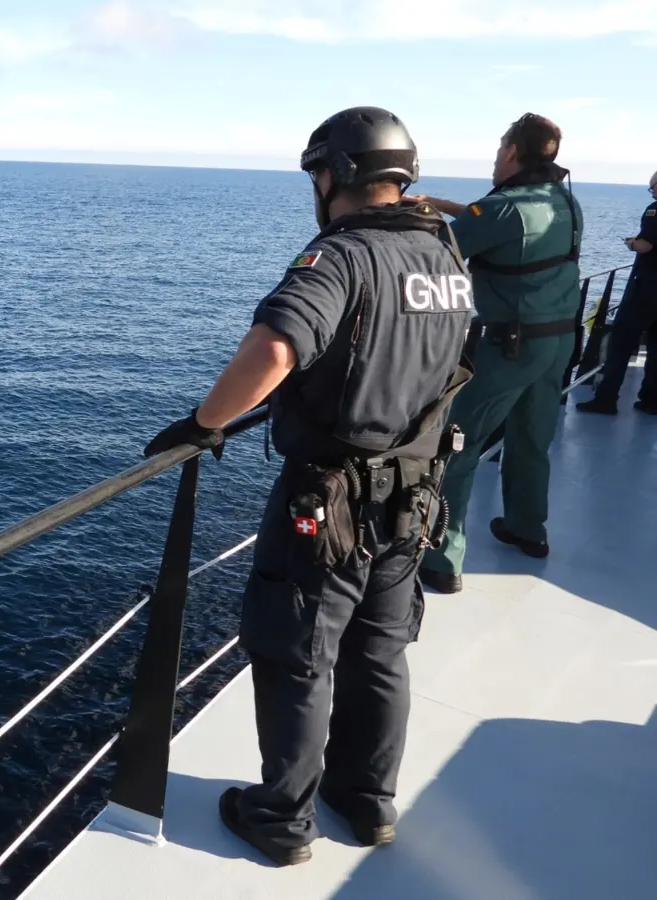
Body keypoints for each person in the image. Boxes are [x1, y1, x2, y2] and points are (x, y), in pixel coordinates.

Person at [143, 107, 472, 866]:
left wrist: (203, 423)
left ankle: (282, 819)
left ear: (338, 175)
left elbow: (278, 345)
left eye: (318, 174)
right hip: (413, 500)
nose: (316, 189)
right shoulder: (446, 260)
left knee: (297, 652)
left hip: (331, 507)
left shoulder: (345, 257)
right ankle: (366, 801)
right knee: (380, 654)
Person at [410, 114, 582, 591]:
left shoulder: (502, 210)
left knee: (458, 443)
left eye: (498, 149)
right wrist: (442, 203)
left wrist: (419, 214)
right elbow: (502, 222)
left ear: (510, 152)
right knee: (531, 438)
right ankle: (529, 531)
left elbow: (447, 247)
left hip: (510, 346)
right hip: (558, 342)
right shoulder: (563, 200)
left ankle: (442, 561)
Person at [576, 170, 657, 415]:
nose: (652, 191)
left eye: (653, 187)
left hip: (646, 289)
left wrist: (632, 242)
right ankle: (651, 400)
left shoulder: (654, 211)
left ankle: (606, 399)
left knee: (620, 343)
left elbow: (645, 245)